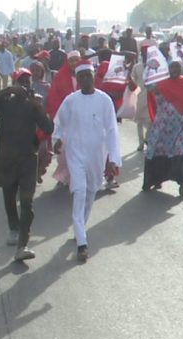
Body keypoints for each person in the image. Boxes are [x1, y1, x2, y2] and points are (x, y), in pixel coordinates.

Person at [52, 60, 122, 261]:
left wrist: (113, 158)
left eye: (87, 76)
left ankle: (80, 226)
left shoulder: (104, 100)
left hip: (96, 156)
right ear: (78, 79)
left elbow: (111, 131)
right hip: (76, 154)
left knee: (92, 190)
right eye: (80, 76)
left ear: (93, 77)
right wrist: (57, 140)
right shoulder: (70, 100)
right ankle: (82, 243)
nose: (84, 79)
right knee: (80, 192)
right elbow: (59, 122)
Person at [0, 68, 54, 261]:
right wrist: (6, 91)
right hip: (7, 160)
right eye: (21, 81)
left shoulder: (33, 105)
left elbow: (48, 128)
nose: (25, 84)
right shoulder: (5, 103)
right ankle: (13, 228)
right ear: (15, 83)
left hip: (27, 160)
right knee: (9, 198)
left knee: (27, 202)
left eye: (27, 81)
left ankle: (22, 245)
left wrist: (39, 107)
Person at [144, 60, 183, 196]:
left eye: (177, 67)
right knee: (157, 153)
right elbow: (150, 91)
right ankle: (153, 180)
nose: (175, 70)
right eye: (172, 67)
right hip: (163, 128)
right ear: (167, 69)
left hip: (181, 127)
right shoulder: (160, 83)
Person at [46, 50, 81, 185]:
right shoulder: (60, 77)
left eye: (76, 60)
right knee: (64, 151)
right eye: (71, 61)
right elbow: (54, 99)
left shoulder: (85, 76)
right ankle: (64, 174)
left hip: (81, 121)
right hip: (66, 121)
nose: (74, 63)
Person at [132, 46, 153, 152]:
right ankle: (141, 143)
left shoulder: (153, 66)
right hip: (139, 95)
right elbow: (133, 80)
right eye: (144, 54)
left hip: (150, 95)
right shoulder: (137, 67)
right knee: (139, 121)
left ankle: (147, 138)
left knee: (150, 121)